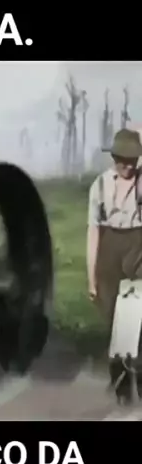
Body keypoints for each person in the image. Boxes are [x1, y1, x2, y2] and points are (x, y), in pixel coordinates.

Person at [87, 128, 142, 330]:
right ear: (114, 158)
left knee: (138, 306)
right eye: (123, 160)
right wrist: (91, 278)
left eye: (133, 160)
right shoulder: (100, 185)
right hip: (109, 246)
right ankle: (116, 346)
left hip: (137, 244)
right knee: (110, 307)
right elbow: (93, 233)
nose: (129, 166)